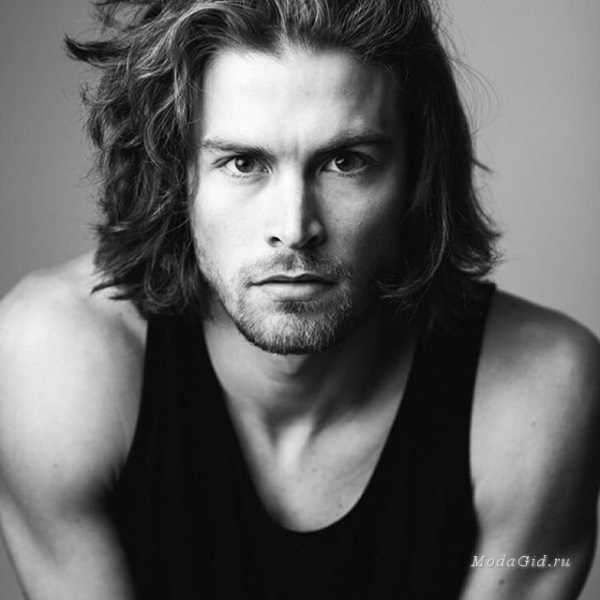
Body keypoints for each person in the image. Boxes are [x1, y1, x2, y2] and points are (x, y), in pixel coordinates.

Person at [0, 0, 598, 598]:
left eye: (345, 162)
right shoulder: (54, 362)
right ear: (176, 179)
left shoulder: (536, 397)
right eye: (243, 163)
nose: (294, 228)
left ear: (417, 178)